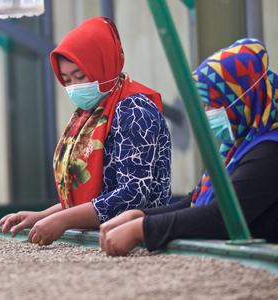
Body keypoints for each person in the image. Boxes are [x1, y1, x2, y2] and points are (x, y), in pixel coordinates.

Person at [0, 17, 172, 245]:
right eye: (67, 80)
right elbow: (94, 194)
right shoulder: (91, 114)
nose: (74, 87)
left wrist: (63, 220)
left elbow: (133, 194)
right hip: (107, 238)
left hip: (141, 240)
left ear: (103, 63)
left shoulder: (134, 110)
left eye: (80, 76)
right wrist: (42, 216)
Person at [99, 38, 278, 256]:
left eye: (209, 104)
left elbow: (222, 216)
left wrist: (142, 229)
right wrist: (140, 216)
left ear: (240, 99)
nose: (205, 114)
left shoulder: (270, 151)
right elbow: (192, 202)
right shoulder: (236, 149)